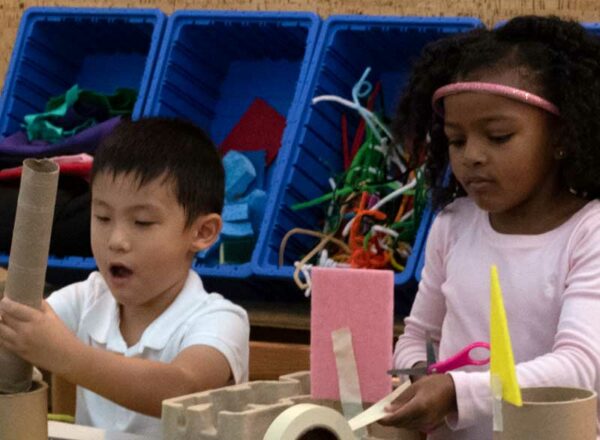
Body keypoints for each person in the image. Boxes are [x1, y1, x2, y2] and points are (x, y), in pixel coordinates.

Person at [382, 15, 600, 439]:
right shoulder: (452, 225)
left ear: (562, 137)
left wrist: (456, 391)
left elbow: (578, 369)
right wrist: (420, 373)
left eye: (498, 136)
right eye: (456, 139)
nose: (472, 156)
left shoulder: (588, 231)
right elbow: (418, 337)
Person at [0, 117, 250, 435]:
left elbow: (181, 388)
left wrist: (64, 355)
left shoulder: (221, 320)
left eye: (142, 222)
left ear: (202, 232)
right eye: (102, 217)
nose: (116, 240)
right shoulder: (86, 298)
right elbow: (24, 326)